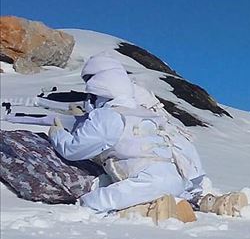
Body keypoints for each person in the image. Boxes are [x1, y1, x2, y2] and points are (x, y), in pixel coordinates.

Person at [47, 67, 197, 222]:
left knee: (93, 202)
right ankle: (172, 204)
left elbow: (74, 149)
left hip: (145, 182)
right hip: (176, 182)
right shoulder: (145, 113)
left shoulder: (108, 115)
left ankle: (147, 212)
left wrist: (58, 134)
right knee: (114, 188)